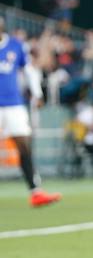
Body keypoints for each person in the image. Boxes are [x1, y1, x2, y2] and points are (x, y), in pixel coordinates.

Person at [0, 15, 61, 207]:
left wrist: (36, 93)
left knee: (24, 147)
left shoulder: (16, 46)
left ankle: (36, 192)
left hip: (13, 105)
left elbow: (29, 70)